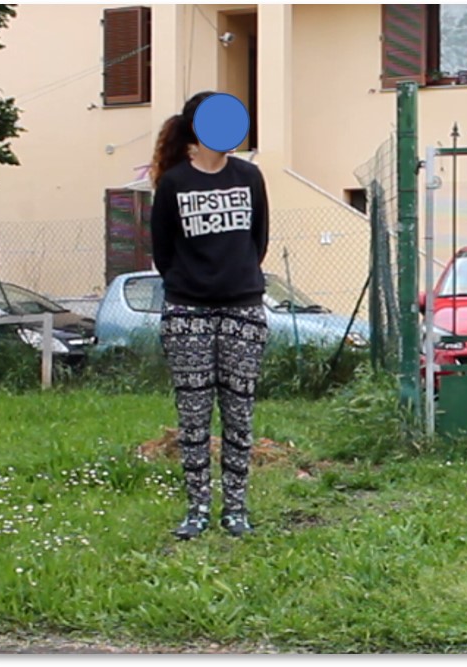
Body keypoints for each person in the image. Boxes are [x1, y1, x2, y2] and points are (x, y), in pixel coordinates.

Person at [149, 91, 270, 539]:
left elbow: (258, 241)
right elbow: (163, 251)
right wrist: (193, 285)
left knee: (239, 413)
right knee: (194, 414)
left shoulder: (250, 177)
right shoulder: (174, 184)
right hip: (187, 313)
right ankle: (197, 509)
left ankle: (235, 510)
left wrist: (234, 281)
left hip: (244, 310)